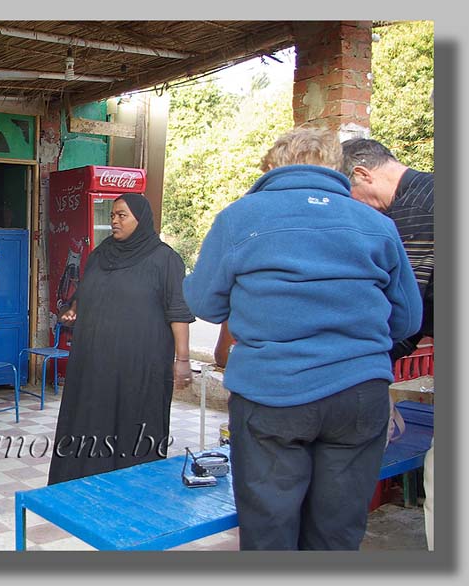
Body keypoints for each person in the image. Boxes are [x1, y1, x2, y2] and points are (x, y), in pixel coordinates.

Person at [182, 127, 422, 550]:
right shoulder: (376, 224)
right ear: (337, 168)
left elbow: (205, 303)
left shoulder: (240, 217)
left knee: (270, 532)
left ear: (272, 166)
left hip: (272, 395)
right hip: (359, 396)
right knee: (337, 533)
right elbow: (407, 320)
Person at [47, 193, 196, 486]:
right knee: (92, 419)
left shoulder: (165, 259)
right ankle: (86, 483)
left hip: (140, 365)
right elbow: (85, 293)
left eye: (122, 215)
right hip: (95, 362)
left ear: (140, 219)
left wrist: (183, 359)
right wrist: (74, 311)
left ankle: (135, 489)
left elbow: (178, 311)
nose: (114, 220)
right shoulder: (102, 254)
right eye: (112, 215)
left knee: (135, 423)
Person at [341, 127, 434, 551]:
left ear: (362, 175)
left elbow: (407, 313)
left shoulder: (414, 210)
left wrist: (374, 376)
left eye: (349, 196)